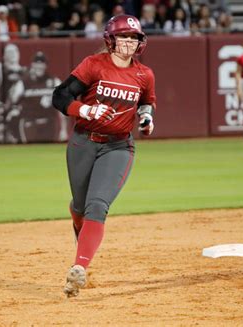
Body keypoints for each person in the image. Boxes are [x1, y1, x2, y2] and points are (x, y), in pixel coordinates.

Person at [52, 14, 156, 297]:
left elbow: (147, 102)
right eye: (123, 36)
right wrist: (85, 110)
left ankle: (79, 269)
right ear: (110, 39)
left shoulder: (144, 74)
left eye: (134, 37)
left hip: (118, 146)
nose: (129, 42)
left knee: (97, 206)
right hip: (83, 142)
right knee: (80, 206)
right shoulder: (93, 65)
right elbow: (60, 96)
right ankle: (79, 227)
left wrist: (147, 118)